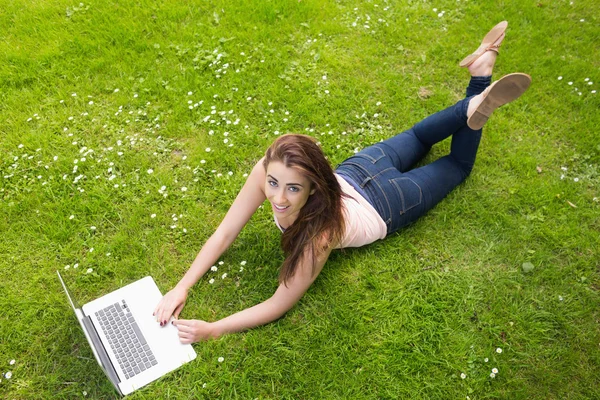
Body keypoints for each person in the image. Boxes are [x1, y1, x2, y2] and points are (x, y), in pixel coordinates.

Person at [154, 21, 531, 343]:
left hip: (387, 202)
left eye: (293, 188)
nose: (278, 198)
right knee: (417, 137)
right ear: (267, 168)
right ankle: (477, 82)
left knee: (457, 165)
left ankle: (478, 88)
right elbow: (224, 232)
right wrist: (181, 285)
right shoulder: (270, 170)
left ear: (314, 184)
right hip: (359, 169)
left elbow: (279, 302)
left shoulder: (319, 235)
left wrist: (215, 329)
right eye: (272, 183)